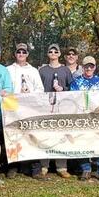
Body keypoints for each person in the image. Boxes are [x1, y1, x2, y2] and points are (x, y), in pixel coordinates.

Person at [70, 56, 99, 182]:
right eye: (86, 66)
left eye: (91, 66)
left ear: (95, 67)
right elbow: (72, 99)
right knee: (82, 142)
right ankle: (86, 169)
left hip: (98, 118)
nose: (89, 68)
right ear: (82, 67)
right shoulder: (75, 82)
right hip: (82, 118)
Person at [6, 42, 44, 178]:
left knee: (31, 136)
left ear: (27, 54)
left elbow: (40, 89)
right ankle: (13, 166)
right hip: (13, 108)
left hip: (29, 108)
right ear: (15, 54)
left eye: (23, 52)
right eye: (19, 52)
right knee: (13, 136)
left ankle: (35, 168)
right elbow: (4, 87)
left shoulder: (33, 71)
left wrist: (30, 94)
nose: (21, 54)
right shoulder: (8, 70)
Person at [35, 43, 73, 179]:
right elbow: (37, 88)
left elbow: (72, 88)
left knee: (61, 136)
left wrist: (63, 89)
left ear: (59, 54)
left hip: (62, 108)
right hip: (45, 108)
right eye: (50, 51)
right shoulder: (42, 70)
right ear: (47, 54)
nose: (53, 53)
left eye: (55, 51)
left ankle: (62, 167)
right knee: (45, 135)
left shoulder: (65, 70)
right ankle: (44, 166)